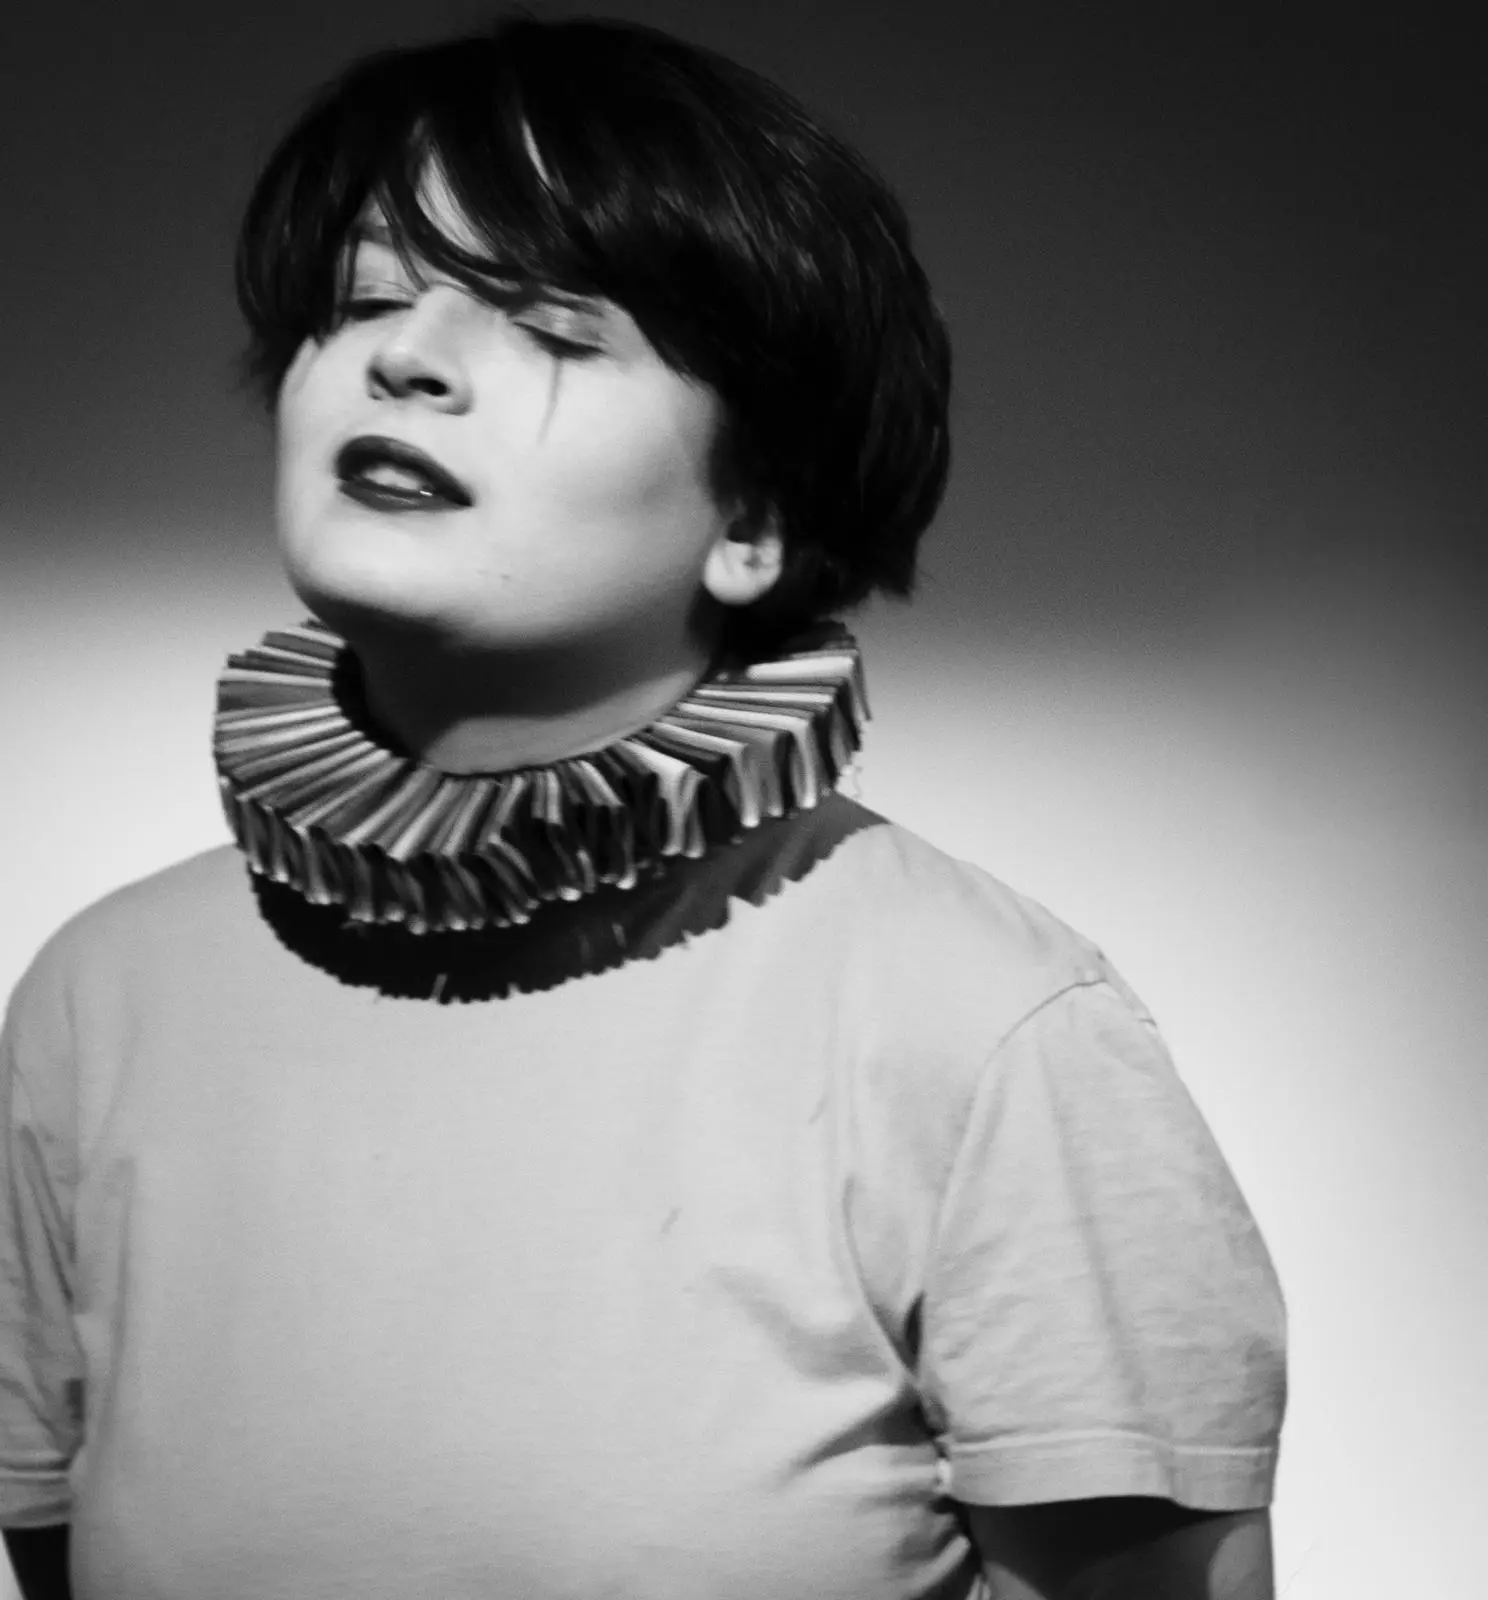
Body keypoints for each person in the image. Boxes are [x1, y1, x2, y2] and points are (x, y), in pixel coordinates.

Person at [0, 13, 1286, 1599]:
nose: (402, 359)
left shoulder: (985, 1029)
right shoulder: (100, 1001)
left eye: (553, 330)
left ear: (753, 516)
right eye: (365, 299)